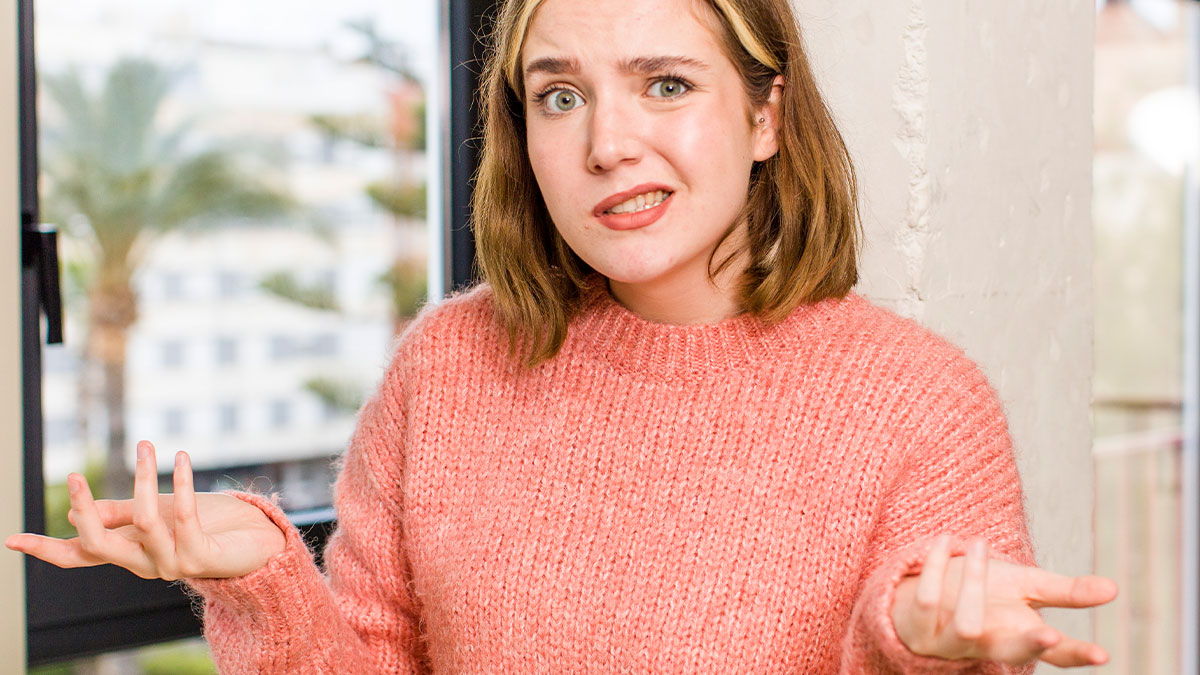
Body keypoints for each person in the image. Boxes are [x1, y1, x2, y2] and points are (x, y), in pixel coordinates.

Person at [6, 0, 1118, 672]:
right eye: (560, 96)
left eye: (665, 84)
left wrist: (913, 649)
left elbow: (935, 642)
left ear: (766, 115)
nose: (607, 145)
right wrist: (264, 579)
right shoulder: (446, 368)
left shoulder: (922, 406)